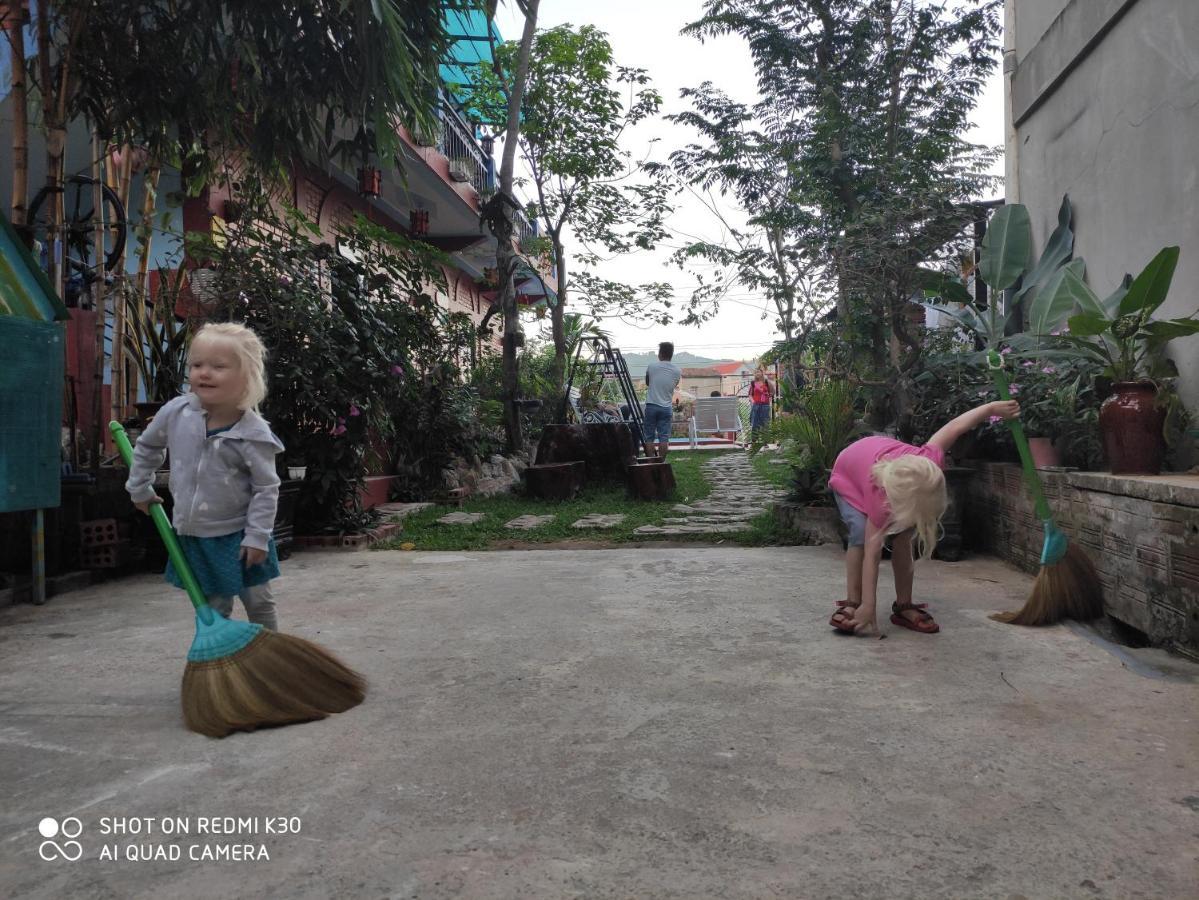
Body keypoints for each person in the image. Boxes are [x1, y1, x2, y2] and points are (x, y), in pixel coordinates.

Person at [125, 322, 285, 630]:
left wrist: (257, 536)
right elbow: (146, 447)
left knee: (259, 601)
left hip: (241, 535)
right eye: (197, 364)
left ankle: (270, 658)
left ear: (245, 376)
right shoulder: (176, 412)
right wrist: (139, 489)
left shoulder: (253, 434)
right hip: (196, 535)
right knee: (213, 608)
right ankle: (217, 666)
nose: (204, 373)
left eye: (218, 366)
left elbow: (266, 489)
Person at [826, 399, 1020, 636]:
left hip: (876, 459)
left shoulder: (929, 464)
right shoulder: (880, 499)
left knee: (904, 536)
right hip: (849, 473)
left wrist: (990, 409)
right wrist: (870, 606)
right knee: (859, 534)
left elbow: (956, 426)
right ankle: (854, 602)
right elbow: (872, 554)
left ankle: (904, 605)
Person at [642, 342, 681, 459]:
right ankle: (661, 463)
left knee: (649, 437)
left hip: (652, 405)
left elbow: (648, 383)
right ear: (671, 354)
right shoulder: (677, 371)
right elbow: (674, 384)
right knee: (664, 437)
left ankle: (651, 462)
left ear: (660, 353)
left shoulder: (652, 366)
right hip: (666, 408)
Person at [748, 369, 773, 438]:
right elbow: (750, 394)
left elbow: (772, 392)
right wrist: (753, 401)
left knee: (765, 424)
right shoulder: (753, 383)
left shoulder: (766, 382)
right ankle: (754, 441)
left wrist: (768, 399)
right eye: (755, 372)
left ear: (762, 373)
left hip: (765, 405)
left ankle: (765, 441)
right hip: (756, 405)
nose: (757, 373)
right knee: (755, 424)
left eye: (758, 372)